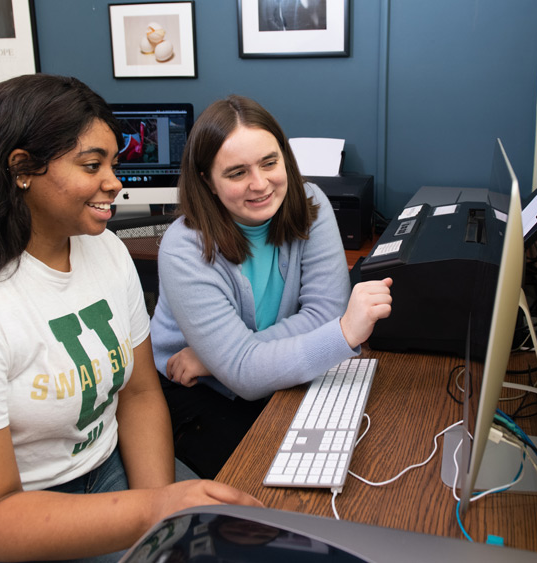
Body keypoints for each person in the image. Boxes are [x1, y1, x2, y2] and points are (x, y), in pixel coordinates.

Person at [0, 74, 260, 563]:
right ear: (21, 169)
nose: (114, 182)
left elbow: (140, 392)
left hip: (92, 469)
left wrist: (159, 518)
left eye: (114, 163)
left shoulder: (105, 250)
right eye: (92, 165)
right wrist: (149, 511)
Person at [150, 95, 393, 478]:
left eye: (269, 162)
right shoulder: (184, 248)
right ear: (206, 181)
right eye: (236, 173)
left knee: (365, 446)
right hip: (195, 389)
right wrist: (343, 333)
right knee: (269, 481)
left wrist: (218, 361)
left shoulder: (312, 205)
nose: (260, 184)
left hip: (229, 370)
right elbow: (248, 374)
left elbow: (322, 314)